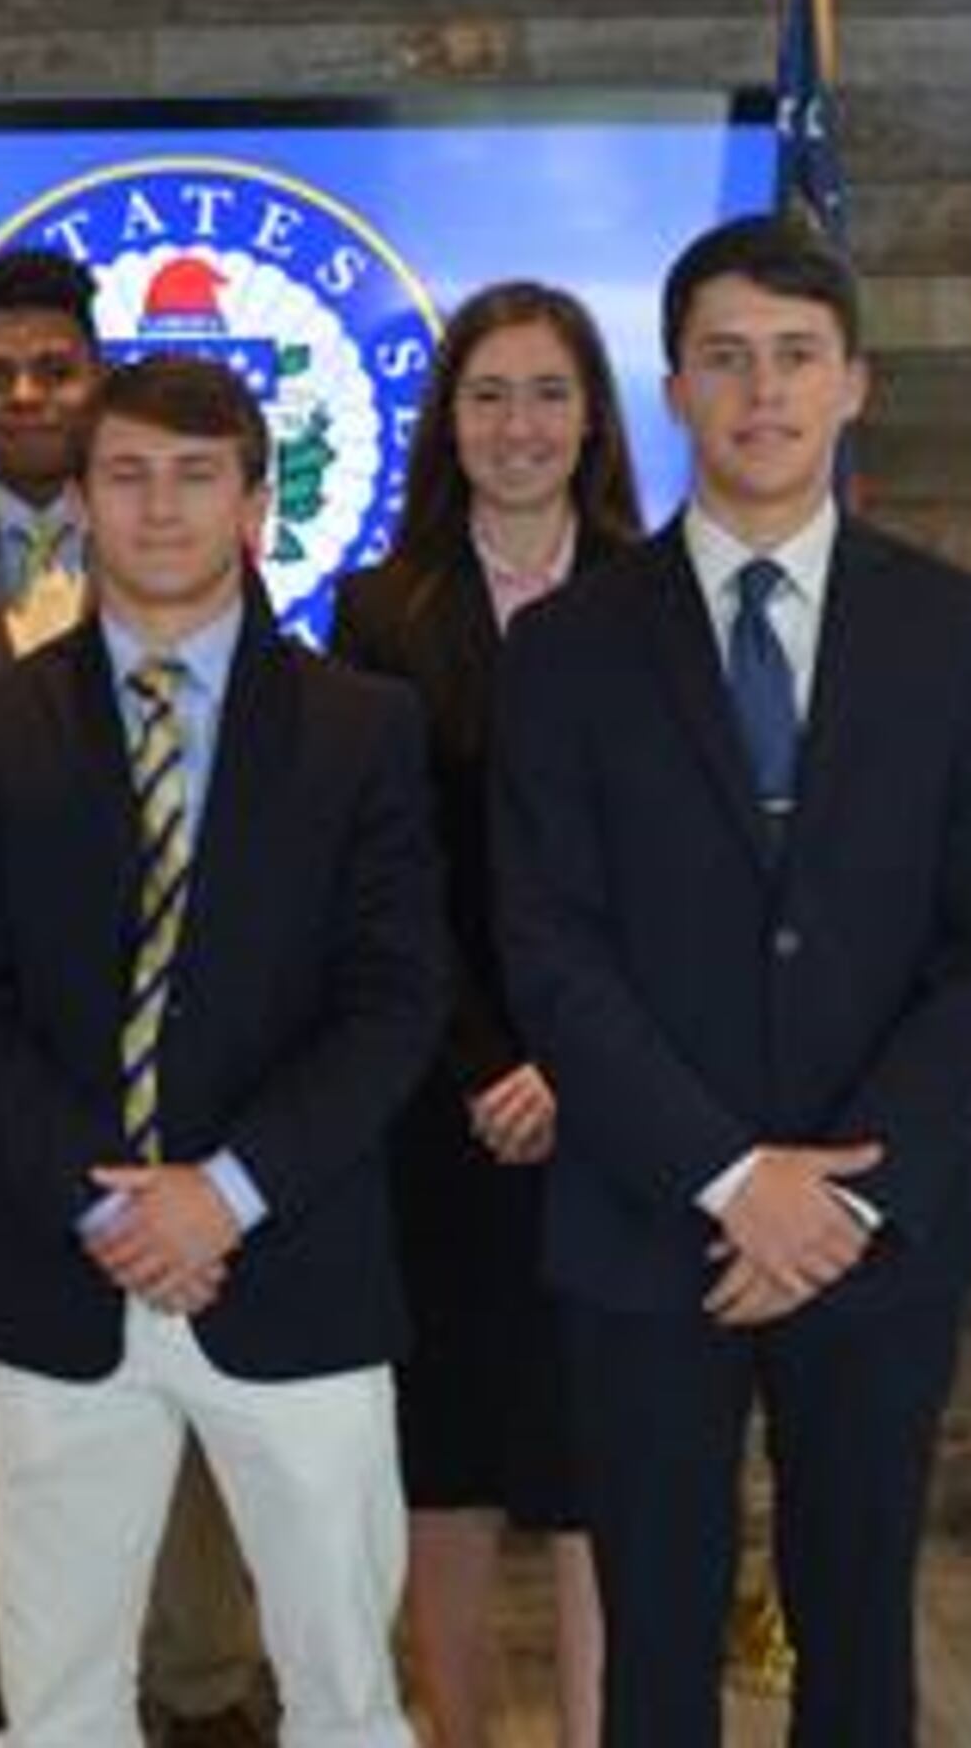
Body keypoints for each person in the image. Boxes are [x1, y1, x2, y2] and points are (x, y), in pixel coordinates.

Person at [495, 213, 971, 1747]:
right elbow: (550, 947)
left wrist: (839, 1196)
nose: (763, 394)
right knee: (654, 1641)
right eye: (725, 360)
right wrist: (733, 1178)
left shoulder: (959, 631)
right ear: (670, 388)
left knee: (862, 1626)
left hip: (883, 1228)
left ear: (854, 385)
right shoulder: (568, 647)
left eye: (797, 358)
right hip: (644, 1215)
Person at [0, 353, 442, 1748]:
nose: (161, 509)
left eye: (198, 477)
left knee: (344, 1694)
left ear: (258, 506)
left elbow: (395, 999)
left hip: (297, 1260)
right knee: (63, 1702)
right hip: (57, 1273)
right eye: (128, 475)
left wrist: (229, 1190)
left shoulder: (363, 727)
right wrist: (110, 1202)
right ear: (76, 501)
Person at [0, 247, 273, 1743]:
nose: (26, 394)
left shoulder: (191, 540)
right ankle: (3, 1672)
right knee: (10, 1387)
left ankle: (204, 1677)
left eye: (54, 368)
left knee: (195, 1362)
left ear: (95, 379)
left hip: (196, 1081)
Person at [323, 281, 640, 1747]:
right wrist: (488, 1066)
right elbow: (390, 881)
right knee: (443, 1463)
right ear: (448, 423)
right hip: (439, 1108)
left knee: (594, 1463)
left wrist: (577, 1068)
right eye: (489, 396)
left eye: (549, 394)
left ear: (594, 416)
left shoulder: (657, 594)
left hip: (621, 1107)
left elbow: (673, 881)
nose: (520, 427)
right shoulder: (382, 611)